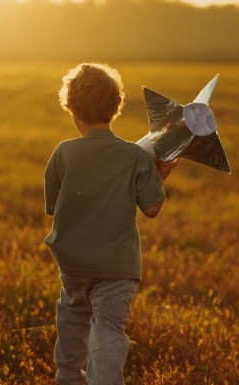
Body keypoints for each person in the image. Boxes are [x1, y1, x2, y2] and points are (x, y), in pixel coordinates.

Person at [44, 63, 177, 385]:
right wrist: (159, 176)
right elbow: (152, 208)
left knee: (72, 321)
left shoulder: (63, 153)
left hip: (73, 263)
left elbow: (52, 207)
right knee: (108, 329)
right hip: (117, 266)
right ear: (116, 108)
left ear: (72, 109)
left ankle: (68, 379)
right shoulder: (135, 156)